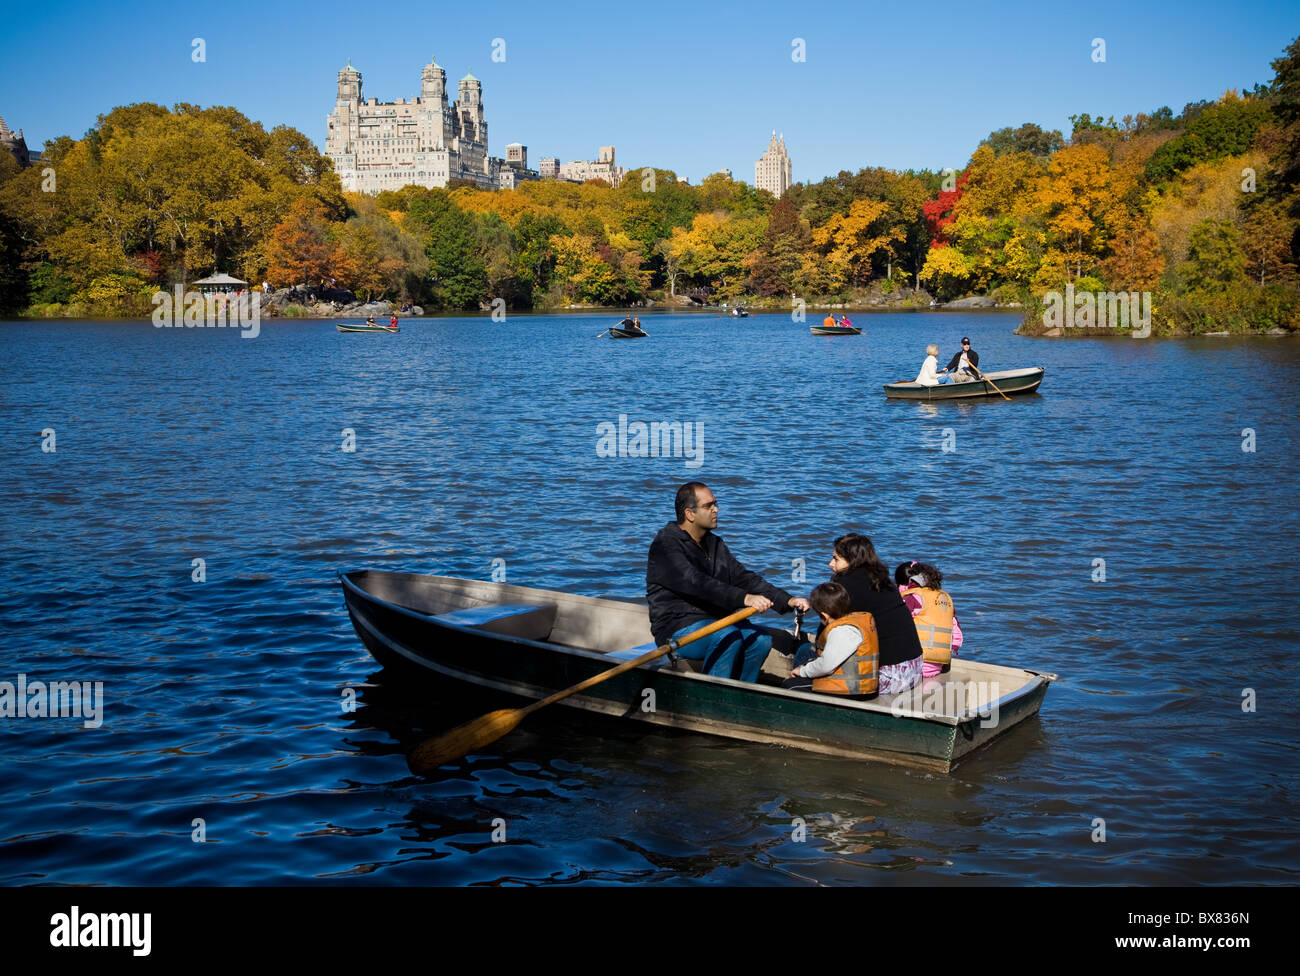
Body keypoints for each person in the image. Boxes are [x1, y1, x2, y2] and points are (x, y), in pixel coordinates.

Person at [646, 482, 811, 682]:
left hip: (716, 621)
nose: (716, 510)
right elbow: (696, 583)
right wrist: (745, 599)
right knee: (727, 636)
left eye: (716, 504)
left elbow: (744, 578)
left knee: (761, 640)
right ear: (690, 514)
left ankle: (741, 695)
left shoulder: (715, 544)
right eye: (709, 506)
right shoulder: (665, 546)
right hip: (677, 626)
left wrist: (788, 600)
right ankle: (713, 700)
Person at [796, 533, 923, 695]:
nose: (830, 564)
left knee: (805, 653)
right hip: (914, 669)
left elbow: (829, 636)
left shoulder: (845, 588)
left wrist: (805, 669)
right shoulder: (881, 579)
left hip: (887, 676)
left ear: (852, 560)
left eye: (836, 559)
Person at [784, 582, 879, 698]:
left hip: (851, 691)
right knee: (806, 652)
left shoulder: (842, 631)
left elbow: (826, 666)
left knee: (789, 686)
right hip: (859, 686)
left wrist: (802, 671)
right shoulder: (855, 621)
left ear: (824, 615)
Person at [895, 561, 963, 677]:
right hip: (937, 666)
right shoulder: (943, 598)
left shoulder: (908, 598)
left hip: (913, 668)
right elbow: (957, 638)